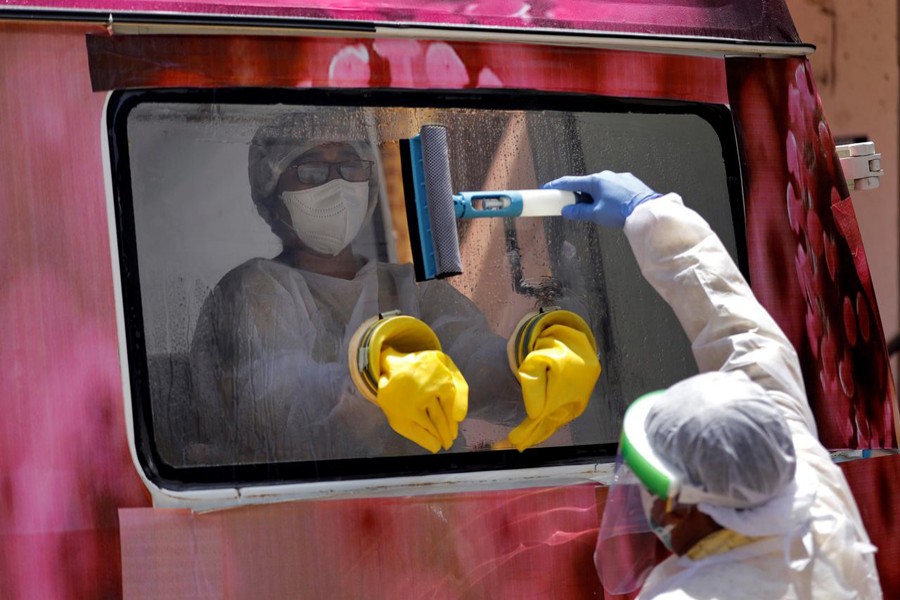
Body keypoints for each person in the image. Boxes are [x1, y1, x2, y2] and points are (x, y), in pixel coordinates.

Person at [186, 109, 600, 465]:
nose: (336, 184)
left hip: (433, 506)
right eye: (310, 169)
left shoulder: (408, 289)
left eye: (350, 165)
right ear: (272, 199)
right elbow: (283, 406)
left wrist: (538, 354)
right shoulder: (254, 288)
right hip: (309, 515)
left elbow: (475, 360)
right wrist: (372, 371)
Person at [543, 171, 882, 598]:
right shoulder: (806, 492)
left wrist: (647, 210)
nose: (653, 508)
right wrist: (650, 214)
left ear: (681, 506)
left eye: (652, 489)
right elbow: (745, 339)